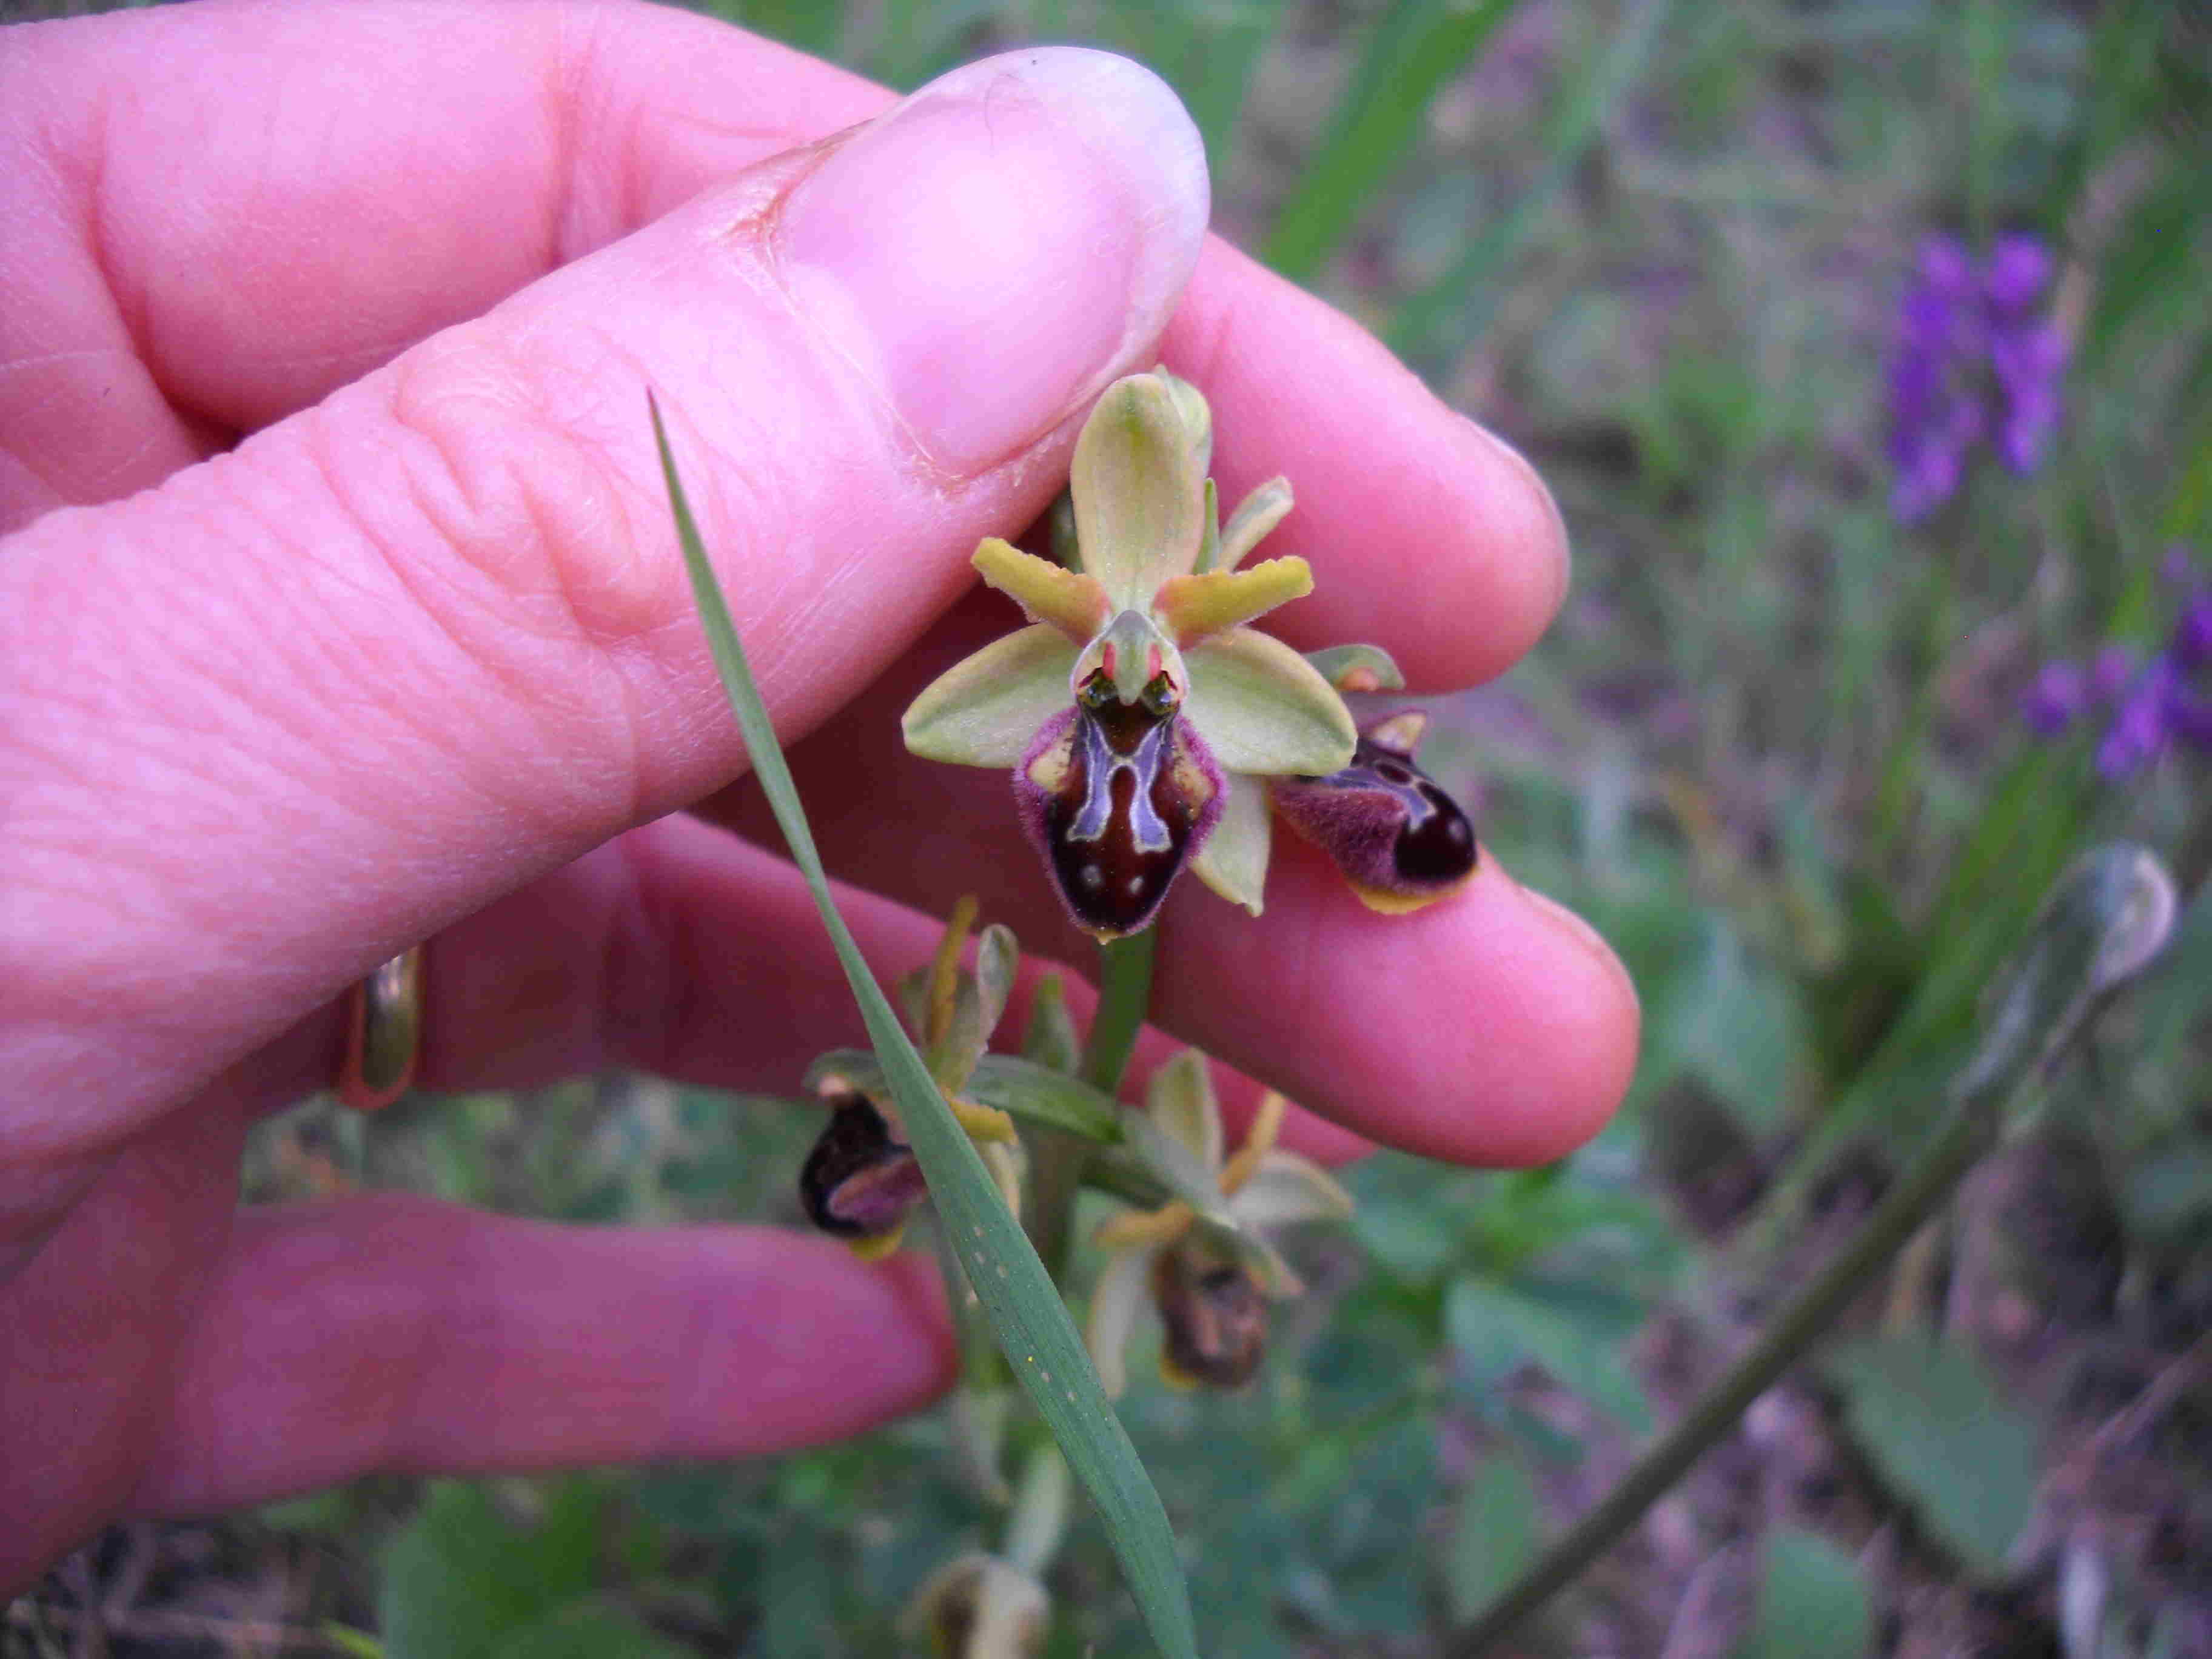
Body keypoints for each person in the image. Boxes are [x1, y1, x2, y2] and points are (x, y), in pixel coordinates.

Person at [0, 0, 1640, 1589]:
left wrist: (1308, 763)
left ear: (1204, 625)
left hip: (1171, 871)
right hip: (1072, 957)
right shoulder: (1074, 689)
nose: (1132, 686)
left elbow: (1114, 714)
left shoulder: (1205, 691)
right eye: (1117, 678)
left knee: (1328, 821)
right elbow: (955, 715)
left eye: (1143, 680)